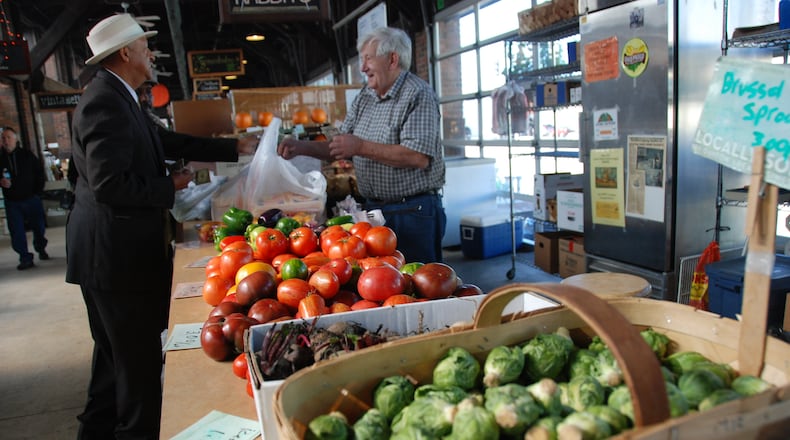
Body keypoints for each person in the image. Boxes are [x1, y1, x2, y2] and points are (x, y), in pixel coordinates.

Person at [66, 14, 256, 440]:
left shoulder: (120, 96)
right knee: (136, 367)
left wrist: (235, 147)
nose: (152, 55)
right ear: (126, 53)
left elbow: (166, 142)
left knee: (113, 364)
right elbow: (109, 183)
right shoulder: (104, 101)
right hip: (115, 258)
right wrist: (168, 185)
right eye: (145, 46)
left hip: (112, 255)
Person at [278, 26, 446, 263]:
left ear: (392, 59)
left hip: (413, 212)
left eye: (368, 58)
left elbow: (417, 156)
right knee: (382, 287)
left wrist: (359, 147)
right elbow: (340, 145)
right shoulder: (365, 97)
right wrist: (300, 147)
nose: (362, 67)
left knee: (418, 286)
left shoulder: (418, 95)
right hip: (375, 212)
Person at [0, 126, 49, 270]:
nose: (6, 140)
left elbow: (39, 173)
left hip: (31, 198)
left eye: (9, 137)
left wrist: (37, 192)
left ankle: (40, 248)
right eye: (3, 138)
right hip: (12, 201)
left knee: (38, 227)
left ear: (16, 139)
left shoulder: (27, 155)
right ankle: (24, 257)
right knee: (17, 231)